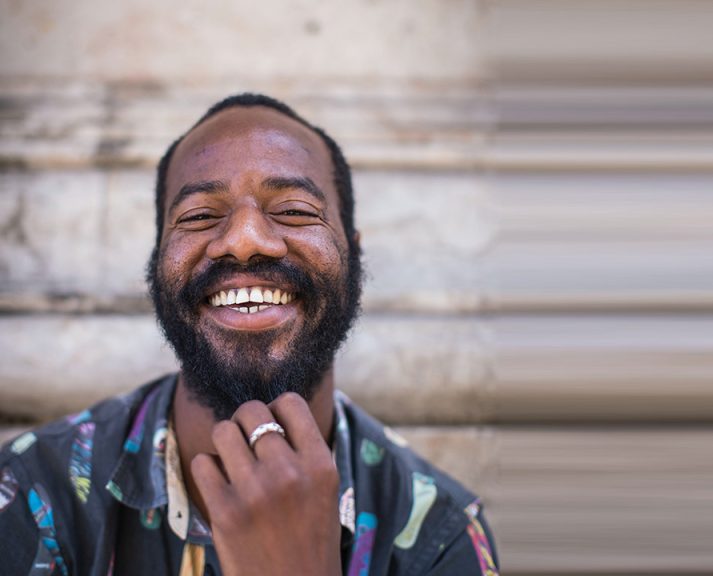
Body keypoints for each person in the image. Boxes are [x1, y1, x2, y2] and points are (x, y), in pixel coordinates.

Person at [0, 94, 499, 576]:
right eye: (199, 216)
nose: (243, 240)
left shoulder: (440, 537)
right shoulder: (32, 496)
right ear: (157, 261)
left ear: (353, 253)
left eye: (295, 210)